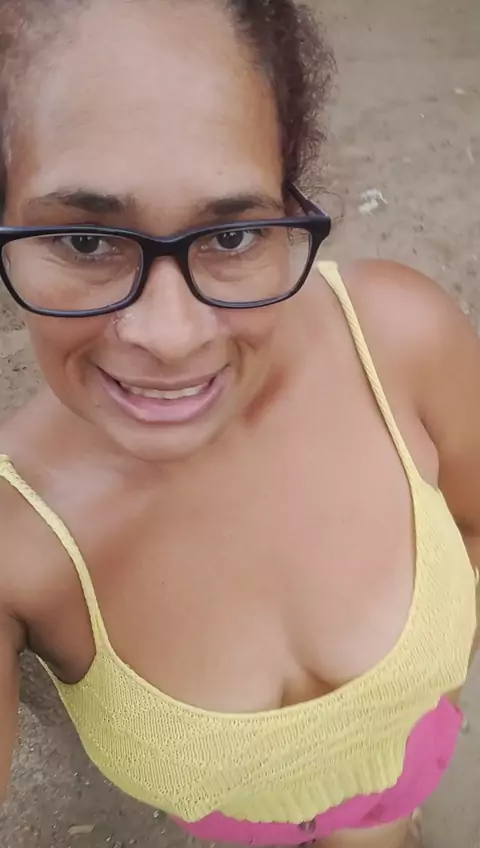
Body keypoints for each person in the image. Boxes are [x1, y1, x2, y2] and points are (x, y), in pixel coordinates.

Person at [0, 1, 478, 846]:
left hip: (410, 766)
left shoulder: (404, 341)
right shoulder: (15, 543)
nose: (172, 336)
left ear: (291, 197)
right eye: (85, 241)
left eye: (232, 234)